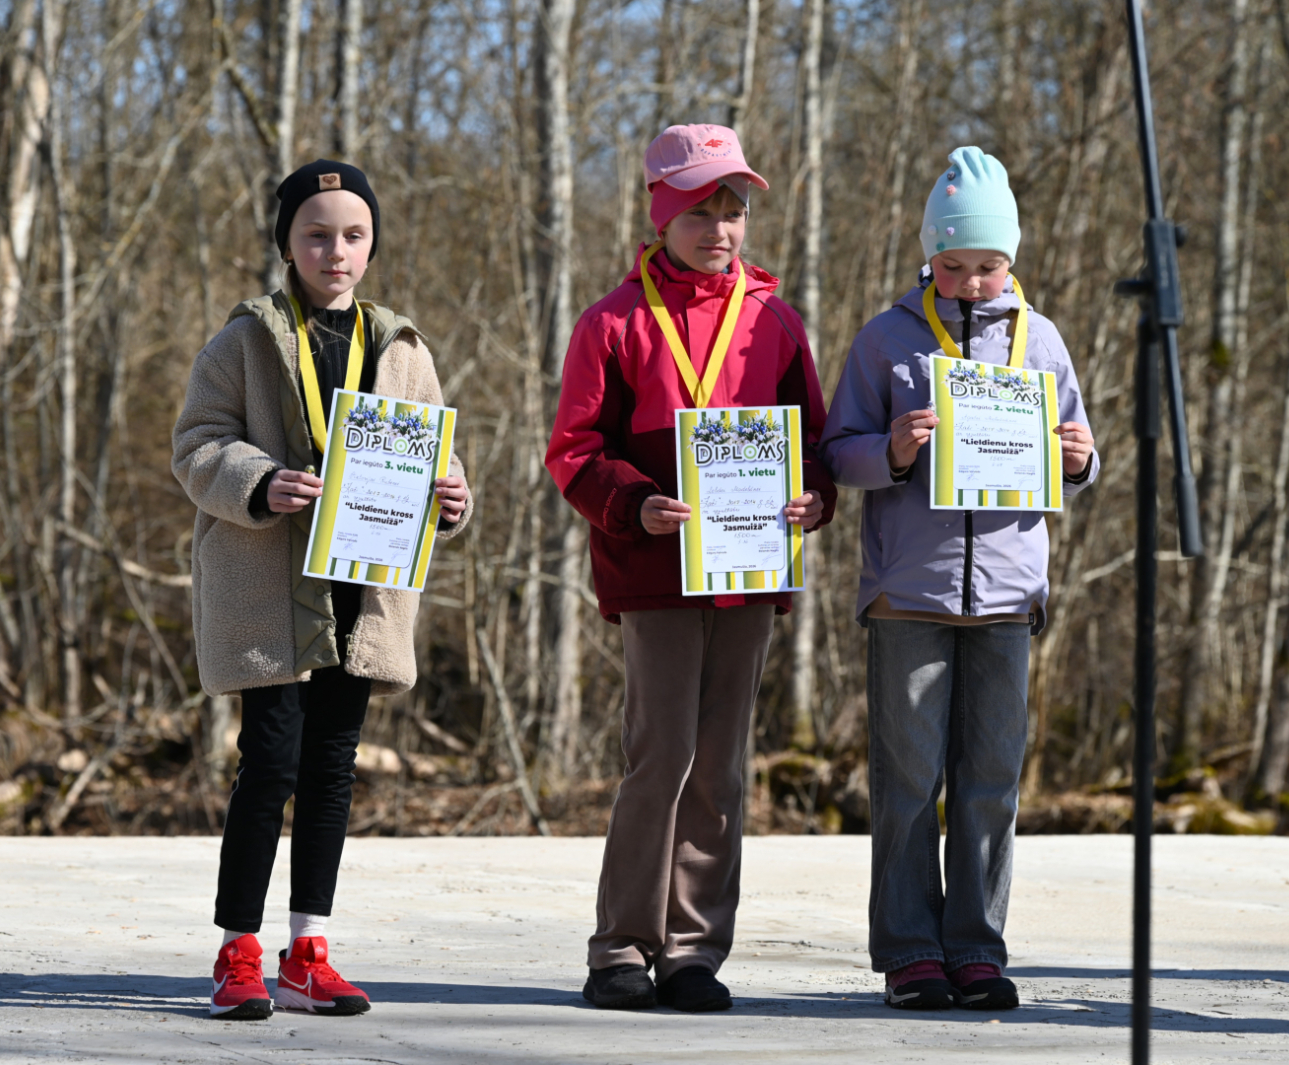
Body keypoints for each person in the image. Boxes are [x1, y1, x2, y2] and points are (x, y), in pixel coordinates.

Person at [545, 124, 837, 1013]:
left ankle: (695, 950)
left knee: (720, 762)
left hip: (748, 571)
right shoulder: (614, 321)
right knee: (660, 753)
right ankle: (621, 947)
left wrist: (812, 497)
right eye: (703, 209)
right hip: (655, 570)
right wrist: (634, 503)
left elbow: (815, 444)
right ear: (661, 213)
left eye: (735, 209)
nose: (721, 227)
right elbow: (572, 449)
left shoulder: (776, 321)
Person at [172, 159, 471, 1020]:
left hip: (363, 593)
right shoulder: (243, 340)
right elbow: (195, 445)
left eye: (352, 234)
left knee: (332, 768)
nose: (334, 250)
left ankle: (309, 948)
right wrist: (259, 482)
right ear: (287, 243)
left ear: (371, 244)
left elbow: (434, 453)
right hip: (269, 587)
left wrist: (453, 495)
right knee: (267, 761)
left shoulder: (402, 345)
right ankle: (237, 950)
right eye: (316, 233)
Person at [819, 146, 1099, 1012]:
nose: (972, 282)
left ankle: (977, 946)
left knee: (991, 778)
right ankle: (910, 950)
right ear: (928, 257)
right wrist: (895, 450)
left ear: (1011, 260)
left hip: (1010, 596)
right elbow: (838, 454)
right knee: (908, 778)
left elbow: (1078, 445)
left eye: (988, 265)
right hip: (910, 591)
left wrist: (1083, 461)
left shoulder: (1041, 338)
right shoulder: (888, 338)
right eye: (955, 265)